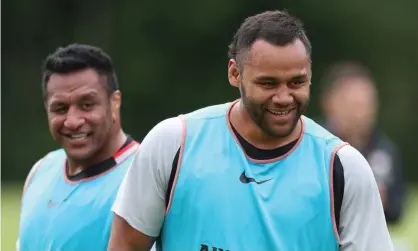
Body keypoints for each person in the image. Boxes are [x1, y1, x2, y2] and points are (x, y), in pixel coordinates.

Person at [108, 10, 393, 251]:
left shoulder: (343, 168)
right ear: (235, 74)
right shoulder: (172, 144)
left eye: (296, 82)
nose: (283, 97)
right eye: (268, 84)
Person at [17, 43, 140, 251]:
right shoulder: (40, 171)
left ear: (115, 102)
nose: (72, 121)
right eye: (60, 108)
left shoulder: (143, 177)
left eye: (86, 105)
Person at [320, 61, 406, 224]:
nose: (361, 114)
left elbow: (397, 211)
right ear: (330, 103)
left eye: (366, 104)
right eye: (353, 105)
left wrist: (381, 203)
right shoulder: (313, 146)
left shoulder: (385, 151)